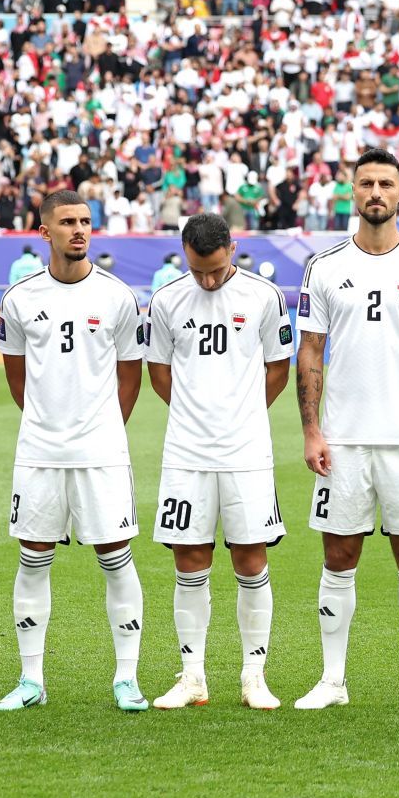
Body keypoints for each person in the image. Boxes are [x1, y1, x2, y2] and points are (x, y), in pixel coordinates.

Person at [293, 149, 399, 712]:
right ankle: (332, 681)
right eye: (367, 183)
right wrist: (313, 431)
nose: (376, 193)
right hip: (342, 438)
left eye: (386, 183)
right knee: (338, 556)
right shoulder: (325, 265)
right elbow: (310, 350)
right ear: (352, 190)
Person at [0, 190, 149, 713]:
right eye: (67, 223)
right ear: (45, 232)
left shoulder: (118, 297)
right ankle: (31, 680)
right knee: (33, 560)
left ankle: (126, 679)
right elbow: (17, 377)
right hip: (39, 451)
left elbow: (132, 375)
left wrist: (102, 427)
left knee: (116, 560)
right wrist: (48, 421)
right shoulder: (19, 298)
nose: (79, 230)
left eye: (85, 222)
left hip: (102, 453)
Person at [145, 212, 295, 712]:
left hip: (246, 452)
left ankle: (254, 676)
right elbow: (159, 373)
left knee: (251, 561)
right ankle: (192, 677)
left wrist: (242, 414)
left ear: (232, 248)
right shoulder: (167, 300)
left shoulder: (263, 297)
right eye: (196, 271)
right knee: (189, 562)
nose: (206, 280)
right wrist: (196, 416)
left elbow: (279, 367)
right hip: (186, 452)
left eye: (213, 269)